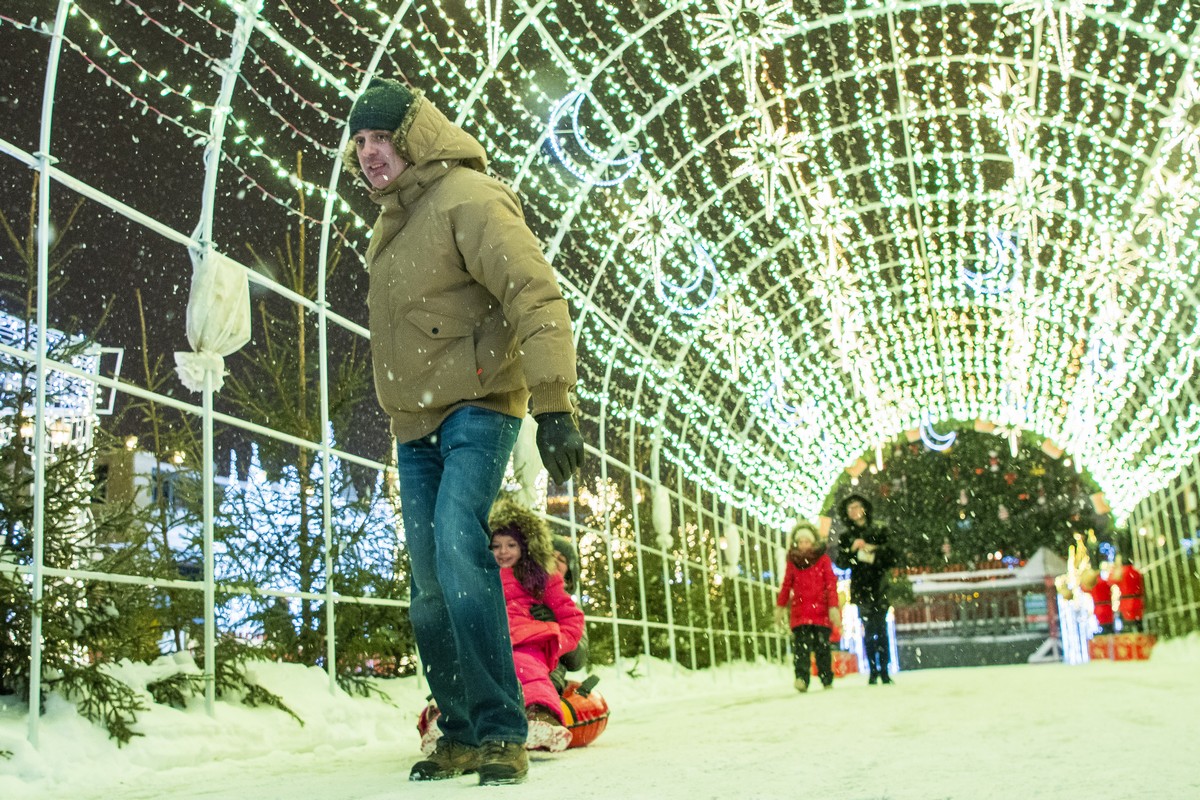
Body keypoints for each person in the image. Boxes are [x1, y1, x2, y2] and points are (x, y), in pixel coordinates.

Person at [345, 77, 585, 785]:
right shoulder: (389, 221)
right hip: (413, 420)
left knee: (459, 548)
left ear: (414, 136)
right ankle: (456, 729)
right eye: (359, 142)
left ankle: (502, 730)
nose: (368, 153)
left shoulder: (470, 199)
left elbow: (532, 290)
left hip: (480, 405)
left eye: (381, 138)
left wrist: (554, 404)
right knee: (427, 585)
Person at [489, 500, 585, 752]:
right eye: (496, 545)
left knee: (527, 671)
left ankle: (541, 718)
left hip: (532, 644)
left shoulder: (541, 580)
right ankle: (445, 719)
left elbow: (574, 629)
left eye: (511, 545)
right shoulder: (486, 576)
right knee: (471, 673)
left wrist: (552, 637)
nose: (503, 552)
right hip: (492, 641)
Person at [835, 494, 897, 685]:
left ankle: (884, 670)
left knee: (881, 628)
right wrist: (852, 550)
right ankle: (872, 670)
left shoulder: (879, 530)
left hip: (879, 585)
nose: (854, 511)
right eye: (850, 508)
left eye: (857, 506)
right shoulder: (846, 537)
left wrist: (873, 550)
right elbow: (842, 563)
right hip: (861, 587)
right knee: (868, 629)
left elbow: (892, 555)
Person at [774, 521, 841, 692]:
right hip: (800, 613)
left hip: (821, 613)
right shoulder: (793, 561)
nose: (804, 545)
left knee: (822, 648)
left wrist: (833, 607)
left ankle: (826, 678)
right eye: (801, 542)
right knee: (801, 650)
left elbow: (830, 584)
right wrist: (780, 606)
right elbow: (786, 584)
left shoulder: (823, 560)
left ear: (813, 543)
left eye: (807, 542)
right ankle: (801, 679)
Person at [542, 535, 589, 694]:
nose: (554, 560)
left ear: (569, 575)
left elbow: (577, 660)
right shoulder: (519, 594)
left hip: (549, 676)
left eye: (561, 558)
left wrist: (554, 626)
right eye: (550, 555)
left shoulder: (572, 610)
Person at [1109, 555, 1145, 632]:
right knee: (1139, 625)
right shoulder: (1137, 572)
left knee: (1128, 627)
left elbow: (1110, 581)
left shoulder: (1121, 573)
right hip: (1138, 601)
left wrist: (1115, 568)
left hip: (1126, 603)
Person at [1079, 568, 1116, 635]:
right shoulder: (1106, 582)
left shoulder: (1092, 584)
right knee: (1110, 629)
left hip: (1098, 608)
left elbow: (1083, 588)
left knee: (1102, 628)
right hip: (1108, 607)